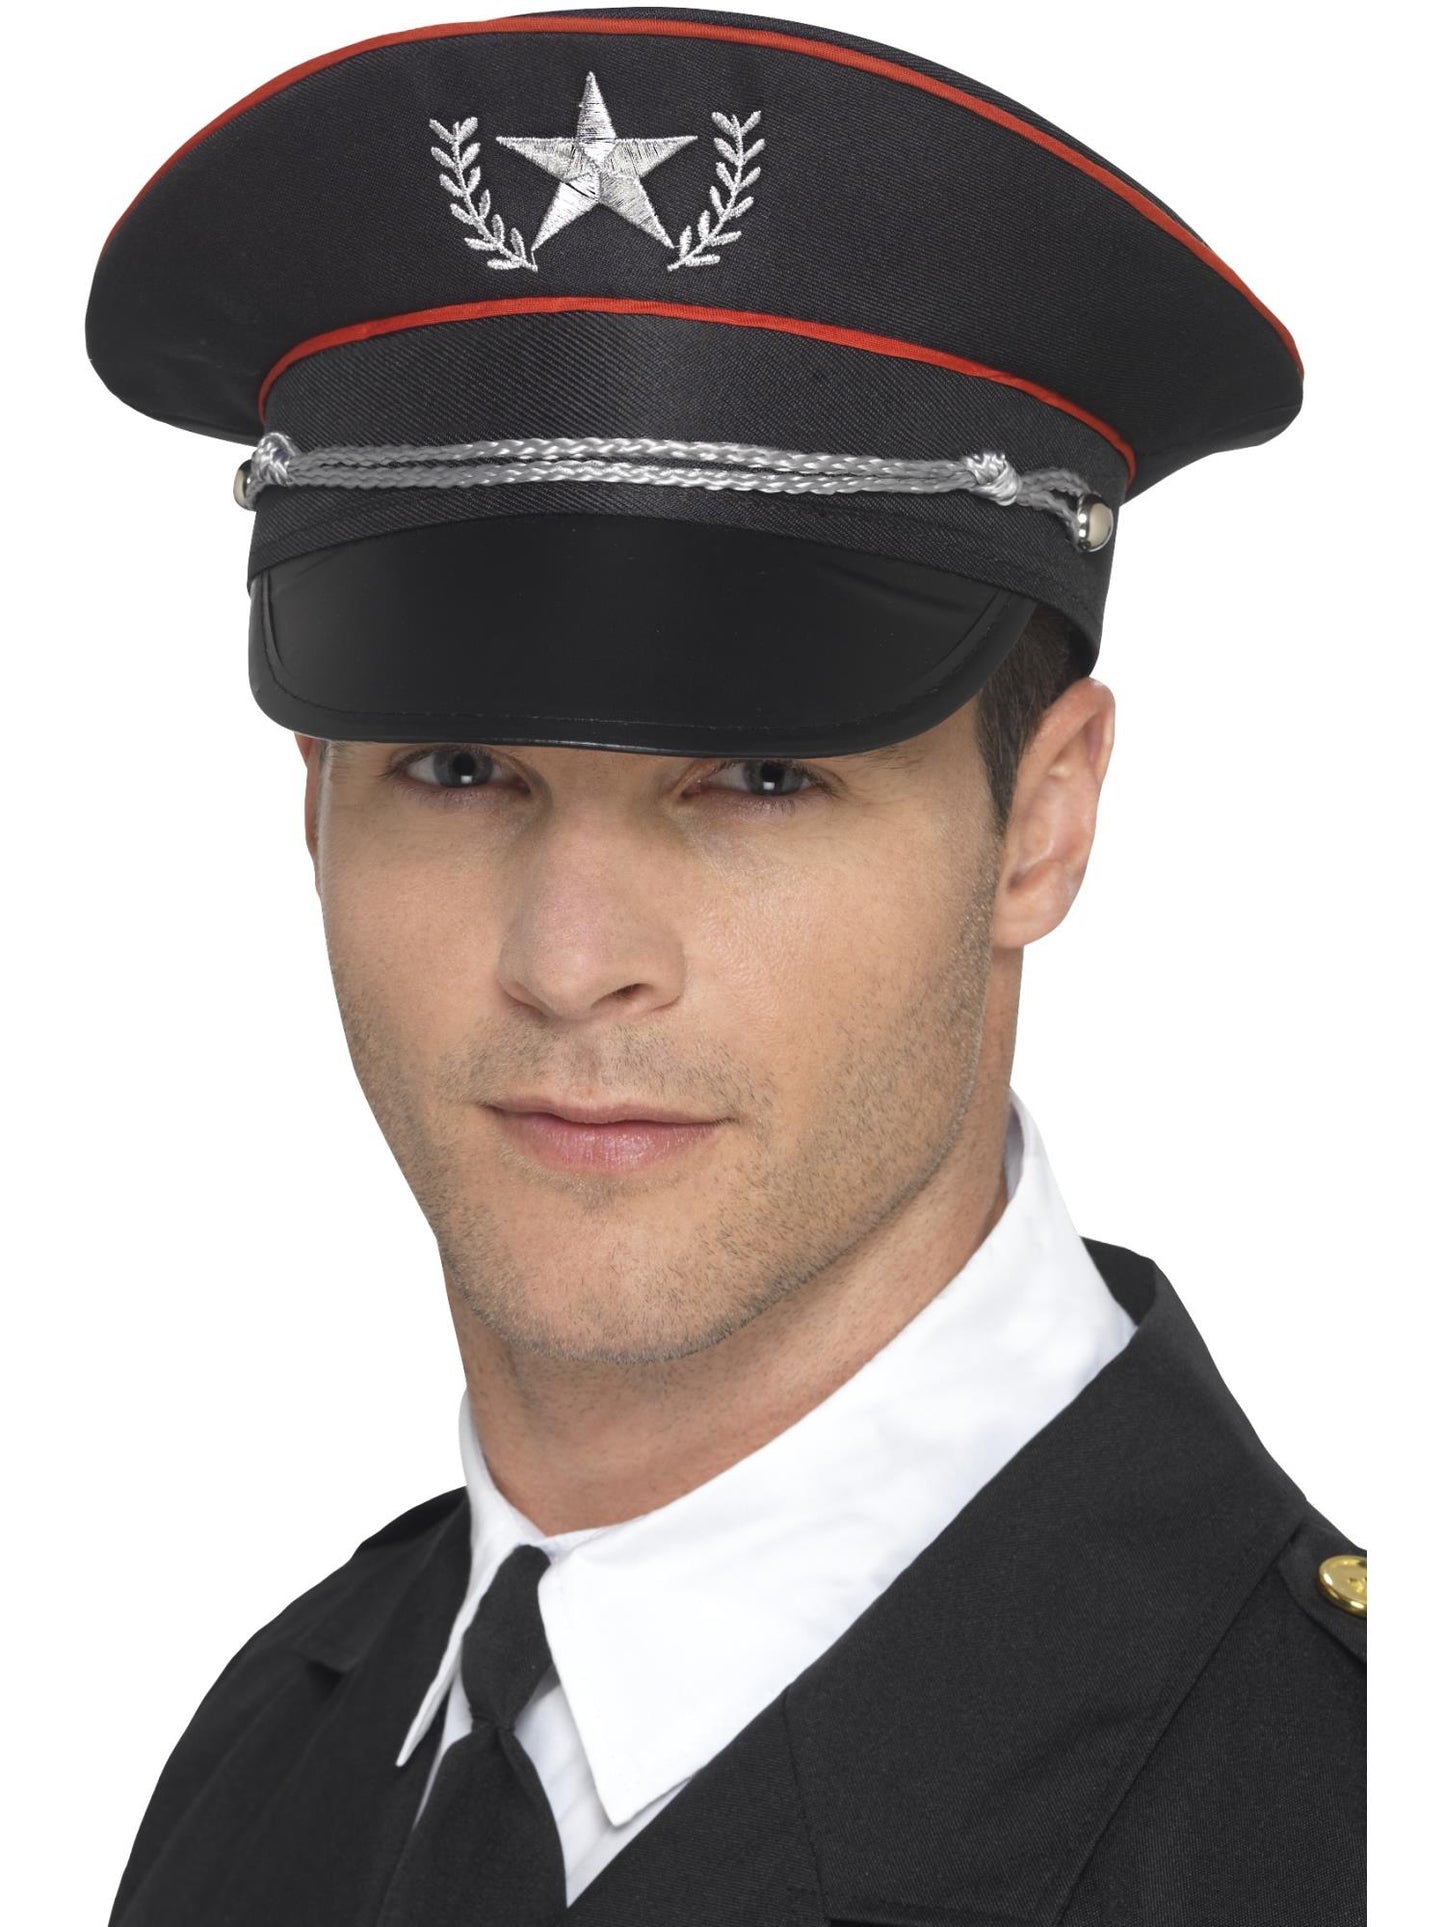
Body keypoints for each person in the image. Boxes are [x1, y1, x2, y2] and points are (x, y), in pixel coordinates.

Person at [86, 8, 1365, 1924]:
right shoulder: (268, 1751)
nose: (571, 962)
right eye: (459, 768)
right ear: (314, 802)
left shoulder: (1341, 1820)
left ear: (1042, 823)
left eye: (761, 777)